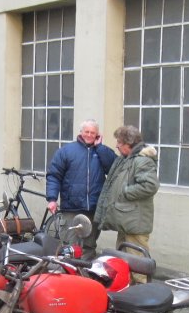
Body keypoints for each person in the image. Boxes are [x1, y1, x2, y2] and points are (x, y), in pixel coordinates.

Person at [93, 125, 158, 283]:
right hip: (126, 220)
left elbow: (150, 186)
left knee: (138, 265)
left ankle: (142, 296)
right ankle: (126, 294)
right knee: (123, 262)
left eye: (119, 142)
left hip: (135, 222)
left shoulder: (142, 160)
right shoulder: (125, 159)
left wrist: (125, 191)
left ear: (129, 144)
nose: (117, 145)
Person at [45, 119, 116, 259]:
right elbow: (54, 176)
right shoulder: (66, 151)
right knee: (70, 246)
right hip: (72, 208)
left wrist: (100, 148)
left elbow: (114, 169)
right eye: (87, 132)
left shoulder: (102, 151)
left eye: (93, 132)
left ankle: (85, 277)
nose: (89, 135)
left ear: (98, 134)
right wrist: (52, 199)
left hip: (93, 209)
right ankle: (69, 277)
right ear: (81, 132)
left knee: (89, 246)